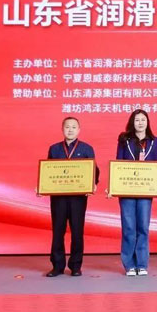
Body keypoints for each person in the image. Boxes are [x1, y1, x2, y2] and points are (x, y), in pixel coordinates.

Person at [45, 117, 99, 277]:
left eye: (74, 127)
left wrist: (93, 184)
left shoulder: (87, 148)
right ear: (62, 129)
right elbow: (48, 171)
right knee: (58, 231)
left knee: (77, 231)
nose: (70, 130)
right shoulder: (54, 149)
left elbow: (94, 170)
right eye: (67, 127)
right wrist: (43, 186)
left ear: (79, 130)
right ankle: (57, 266)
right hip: (59, 197)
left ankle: (76, 266)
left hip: (78, 198)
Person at [115, 109, 157, 277]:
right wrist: (114, 186)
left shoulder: (154, 141)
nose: (140, 123)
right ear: (132, 122)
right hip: (127, 189)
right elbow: (118, 164)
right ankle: (129, 264)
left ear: (147, 122)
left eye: (143, 120)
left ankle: (141, 264)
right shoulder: (124, 140)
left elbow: (156, 164)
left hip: (145, 190)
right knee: (128, 227)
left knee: (143, 226)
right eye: (137, 120)